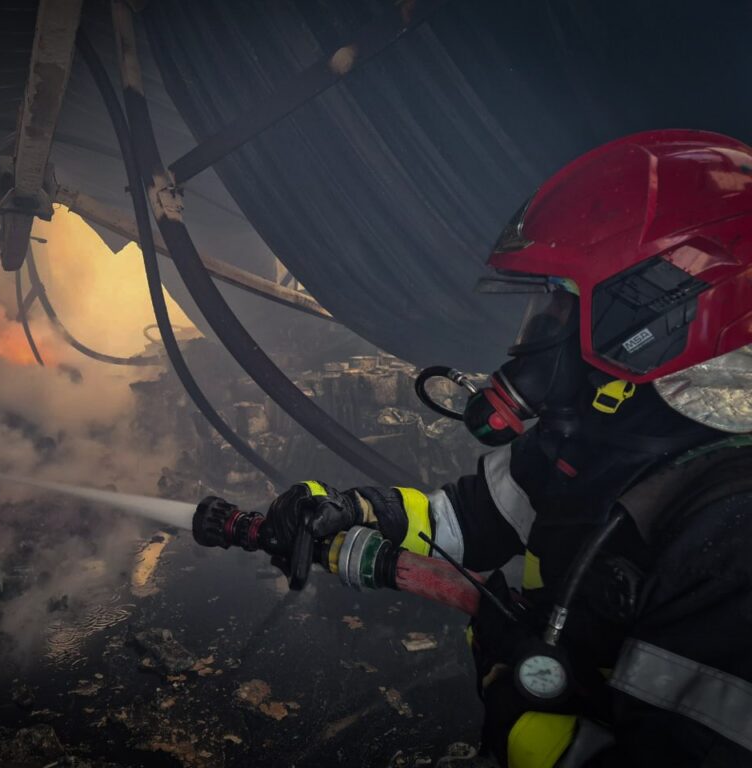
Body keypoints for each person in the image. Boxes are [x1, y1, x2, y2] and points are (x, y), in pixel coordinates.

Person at [264, 130, 752, 768]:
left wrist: (521, 718)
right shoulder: (599, 437)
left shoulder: (733, 534)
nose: (532, 341)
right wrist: (354, 510)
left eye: (557, 310)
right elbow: (469, 521)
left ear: (650, 321)